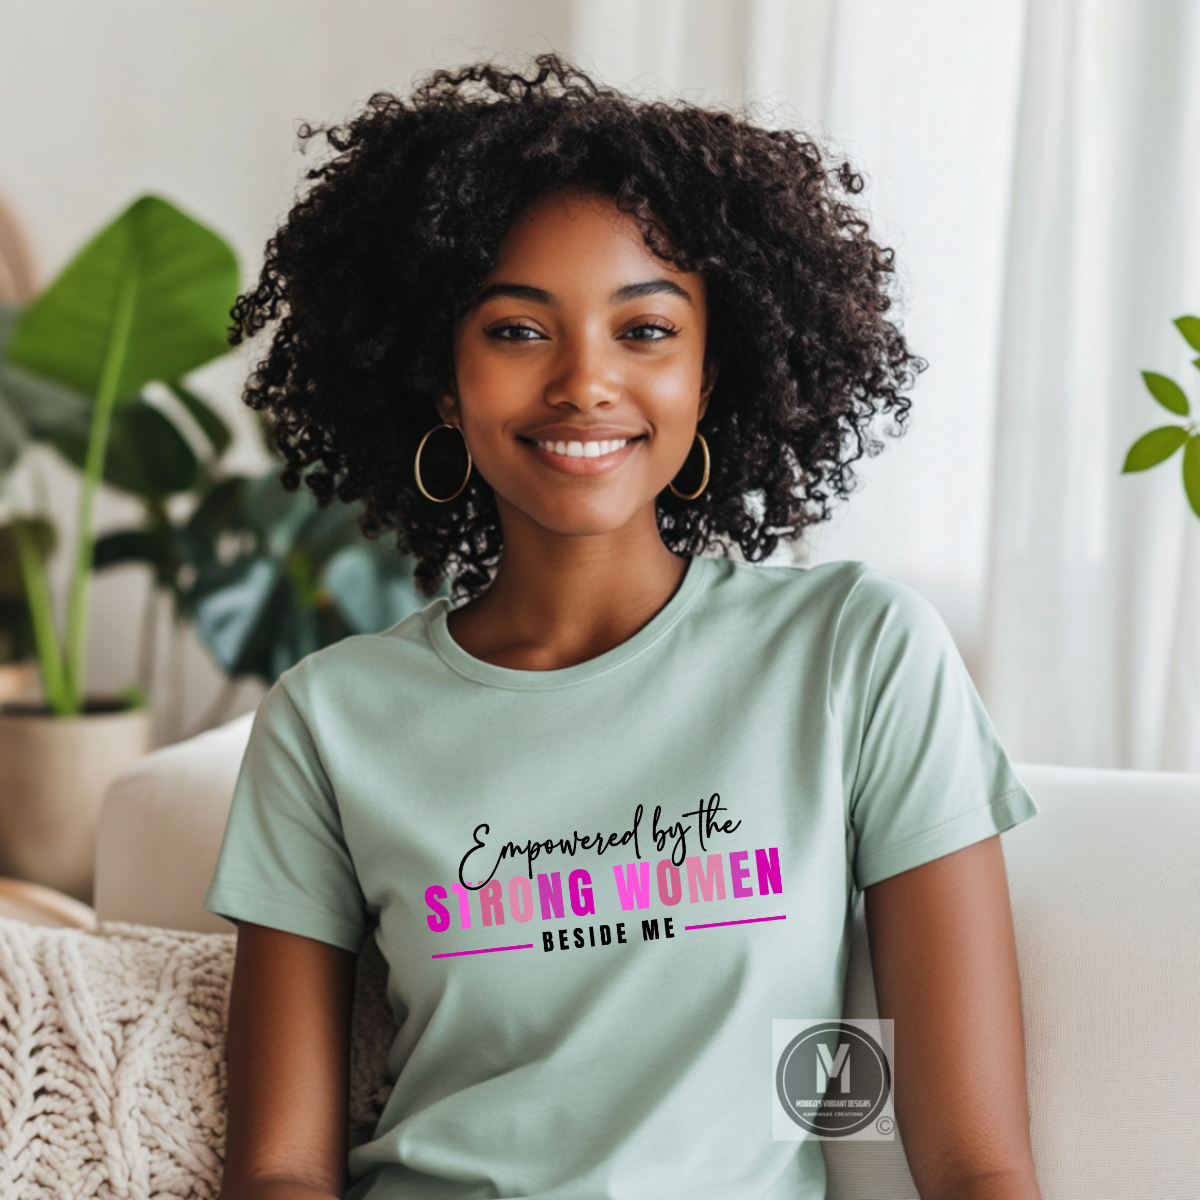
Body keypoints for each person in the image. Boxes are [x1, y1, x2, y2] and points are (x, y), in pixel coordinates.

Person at [205, 55, 1042, 1200]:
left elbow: (976, 1164)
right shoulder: (329, 720)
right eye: (517, 331)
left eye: (644, 330)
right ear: (443, 380)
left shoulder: (853, 654)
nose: (584, 384)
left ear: (709, 373)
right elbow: (278, 1170)